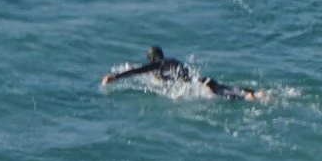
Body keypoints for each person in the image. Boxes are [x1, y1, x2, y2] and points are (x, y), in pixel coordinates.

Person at [103, 45, 266, 100]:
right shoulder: (171, 61)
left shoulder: (157, 66)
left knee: (226, 95)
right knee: (227, 89)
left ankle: (249, 97)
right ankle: (255, 93)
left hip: (198, 87)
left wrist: (116, 77)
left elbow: (139, 71)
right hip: (203, 80)